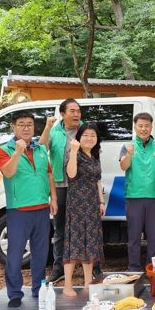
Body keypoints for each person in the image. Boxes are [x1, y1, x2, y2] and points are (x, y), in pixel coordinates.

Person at [0, 112, 58, 307]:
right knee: (15, 254)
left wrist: (53, 198)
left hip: (42, 208)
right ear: (13, 127)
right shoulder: (4, 150)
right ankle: (15, 293)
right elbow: (8, 172)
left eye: (29, 124)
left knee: (41, 253)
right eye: (21, 124)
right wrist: (17, 152)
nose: (26, 128)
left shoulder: (40, 149)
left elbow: (49, 174)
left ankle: (38, 289)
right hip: (19, 210)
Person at [39, 98, 82, 283]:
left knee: (84, 227)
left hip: (80, 186)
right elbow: (41, 148)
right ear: (62, 114)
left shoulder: (85, 131)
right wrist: (47, 127)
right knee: (60, 230)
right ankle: (58, 268)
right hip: (60, 185)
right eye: (72, 111)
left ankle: (92, 267)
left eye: (78, 111)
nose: (76, 114)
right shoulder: (55, 131)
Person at [119, 112, 155, 271]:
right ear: (135, 127)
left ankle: (152, 268)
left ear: (151, 127)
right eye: (140, 126)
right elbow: (123, 167)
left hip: (154, 196)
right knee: (134, 236)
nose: (143, 129)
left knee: (153, 236)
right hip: (134, 196)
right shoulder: (127, 146)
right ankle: (133, 267)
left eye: (147, 126)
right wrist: (128, 154)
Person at [62, 123, 105, 296]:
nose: (89, 138)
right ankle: (67, 285)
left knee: (90, 244)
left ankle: (88, 283)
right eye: (86, 135)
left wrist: (101, 202)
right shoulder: (74, 154)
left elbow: (98, 181)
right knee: (74, 244)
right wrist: (73, 151)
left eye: (93, 135)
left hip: (92, 205)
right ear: (79, 137)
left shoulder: (94, 156)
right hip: (77, 206)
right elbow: (71, 174)